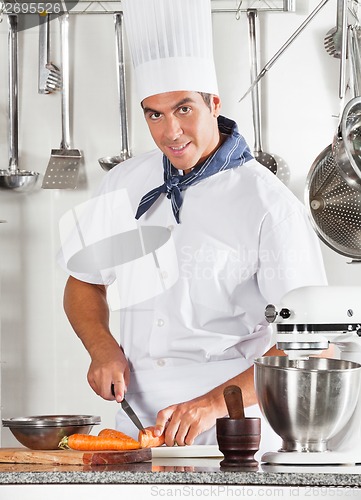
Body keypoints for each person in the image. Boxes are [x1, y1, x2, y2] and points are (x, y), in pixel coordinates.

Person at [59, 0, 328, 453]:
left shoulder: (268, 204)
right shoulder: (124, 182)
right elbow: (83, 282)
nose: (170, 132)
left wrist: (210, 403)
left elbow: (310, 344)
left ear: (214, 103)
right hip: (132, 426)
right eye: (155, 114)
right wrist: (101, 348)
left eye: (184, 109)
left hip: (232, 430)